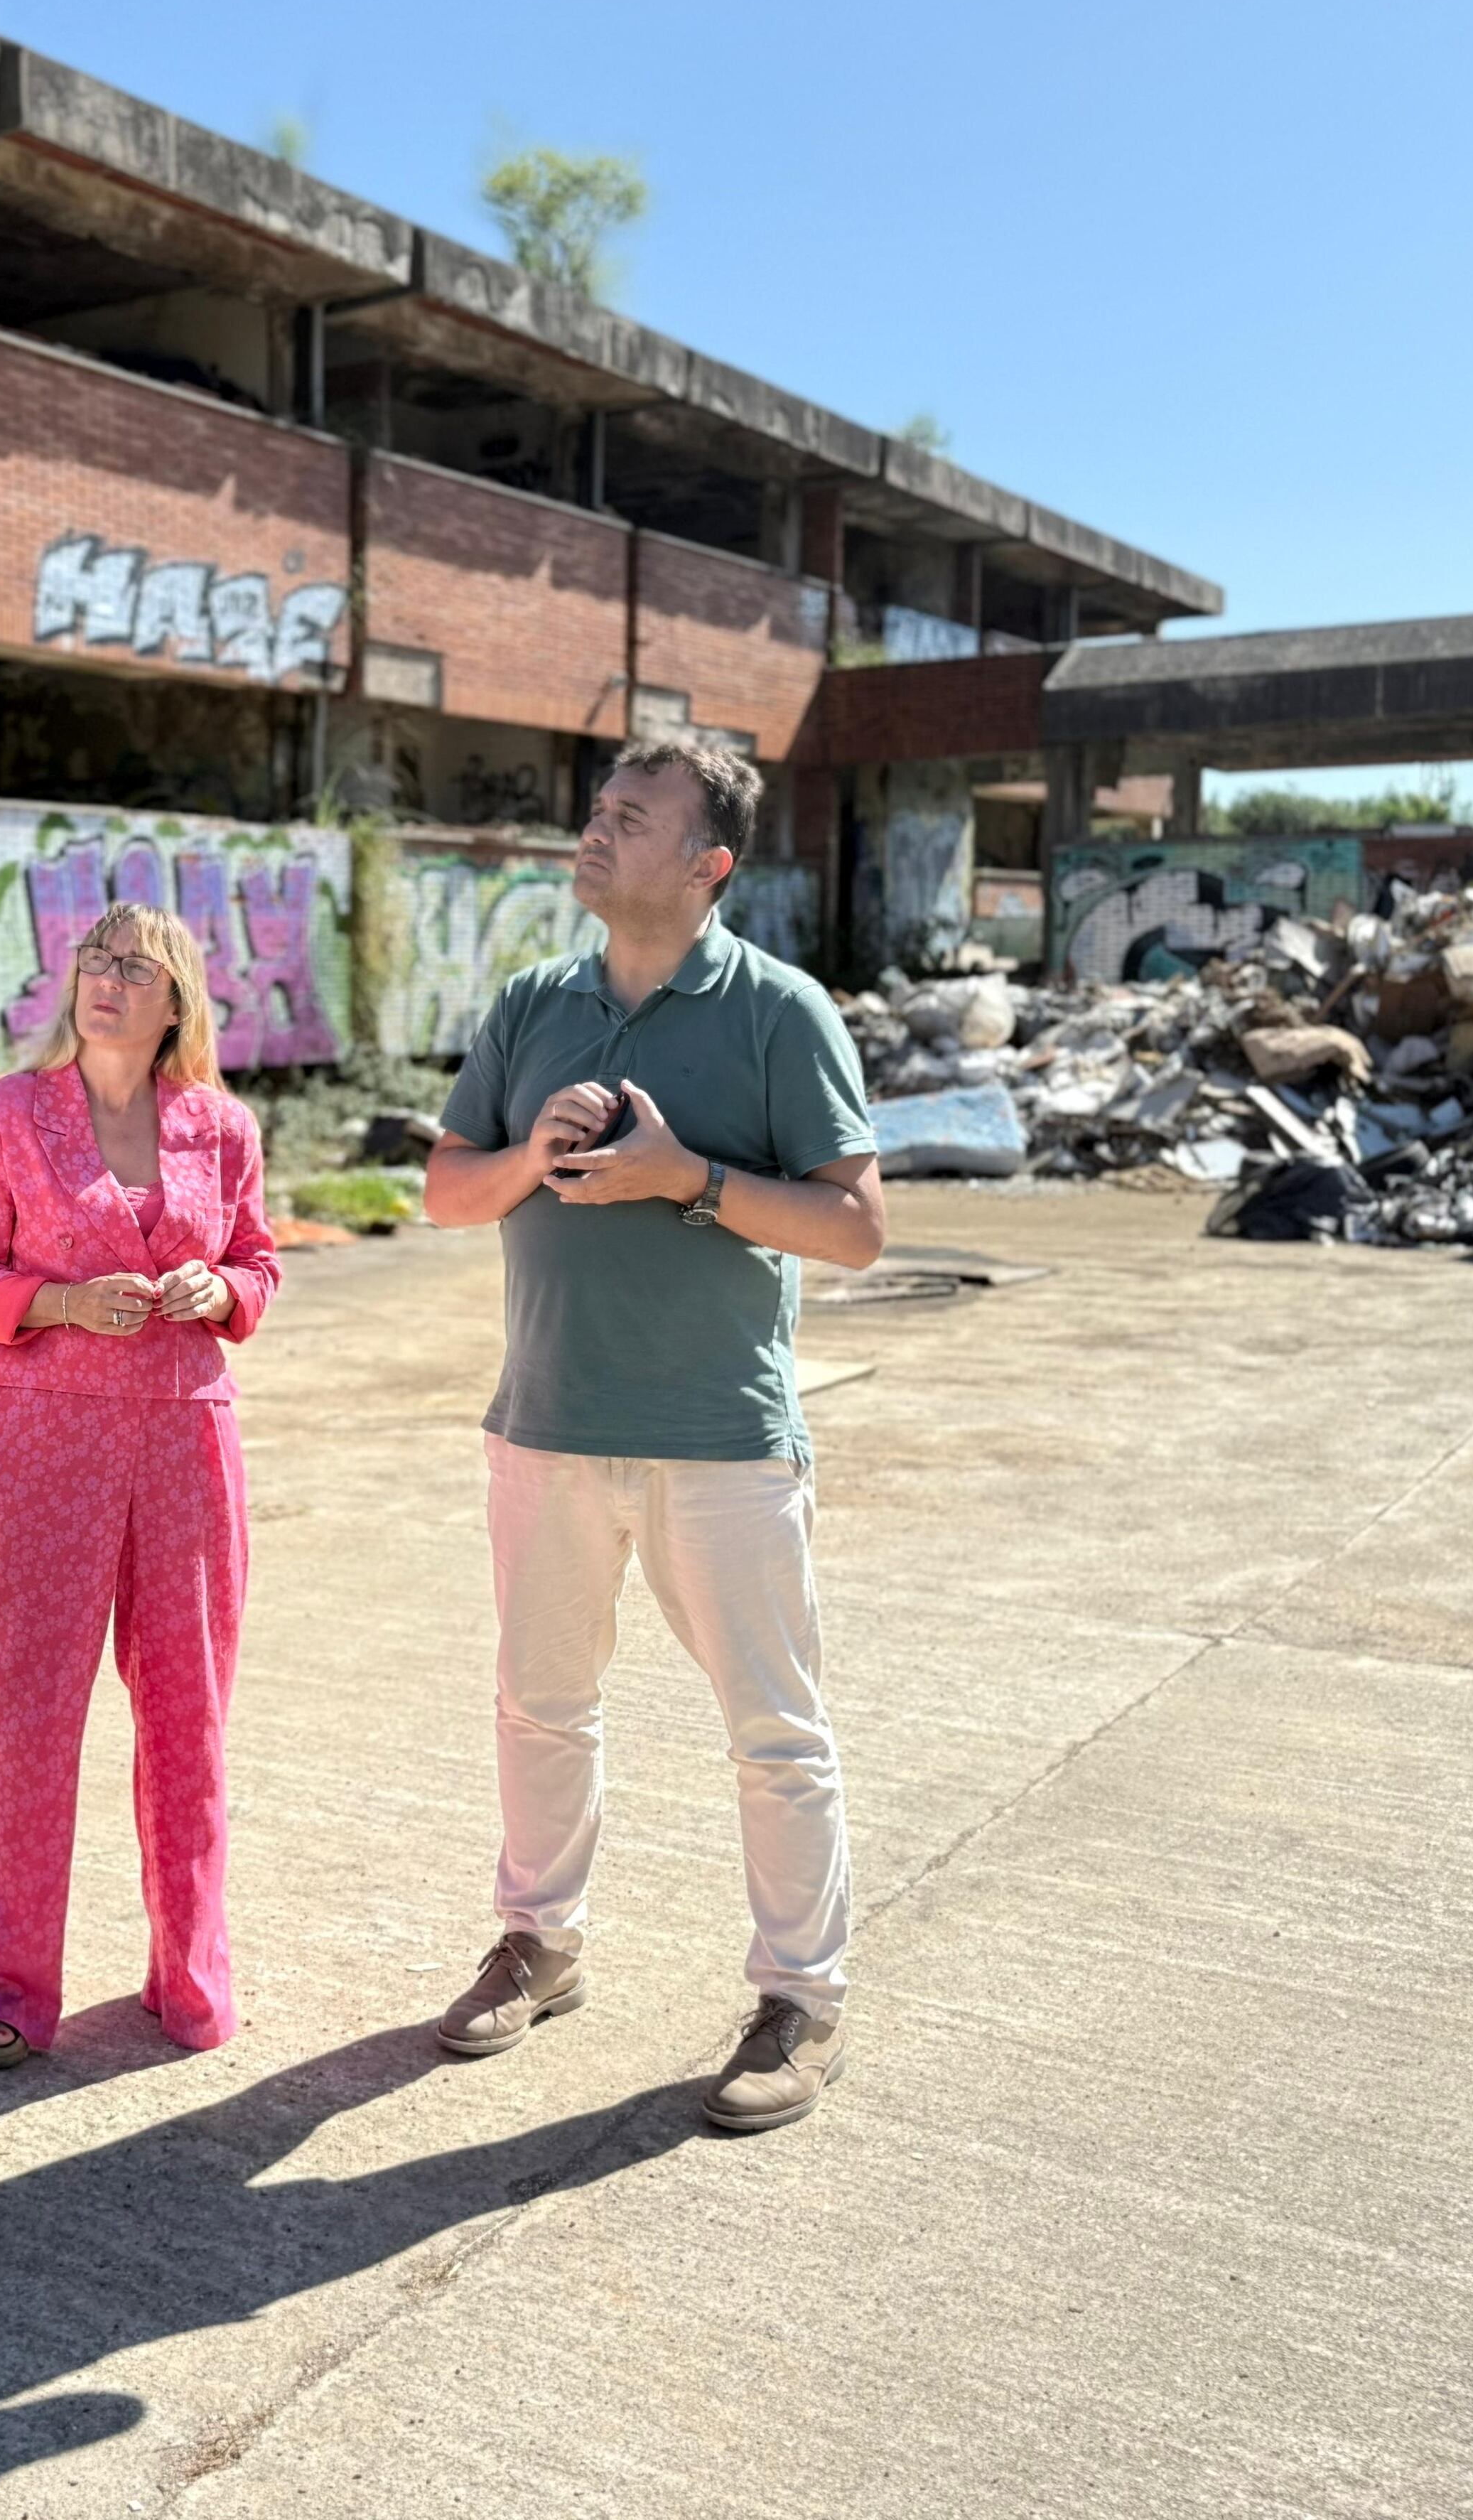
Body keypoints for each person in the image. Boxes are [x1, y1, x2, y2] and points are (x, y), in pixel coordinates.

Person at [420, 735, 885, 2133]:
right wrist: (529, 1156)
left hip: (720, 1437)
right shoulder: (532, 1004)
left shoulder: (779, 1011)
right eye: (600, 808)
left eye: (634, 816)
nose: (597, 827)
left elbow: (856, 1227)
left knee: (773, 1732)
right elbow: (448, 1190)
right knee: (539, 1705)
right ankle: (539, 1943)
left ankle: (802, 1998)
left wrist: (687, 1177)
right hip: (548, 1423)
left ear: (707, 864)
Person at [0, 902, 281, 2069]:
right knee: (21, 1714)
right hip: (44, 1442)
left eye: (136, 965)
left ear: (178, 1001)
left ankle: (190, 1970)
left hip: (186, 1440)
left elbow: (258, 1260)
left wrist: (221, 1291)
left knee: (189, 1716)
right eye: (94, 958)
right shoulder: (0, 1114)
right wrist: (62, 1301)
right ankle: (2, 1980)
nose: (107, 978)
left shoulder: (222, 1126)